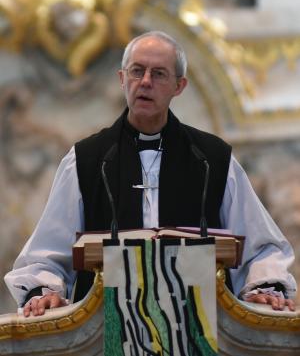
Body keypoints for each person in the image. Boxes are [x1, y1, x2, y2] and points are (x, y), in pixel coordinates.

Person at [5, 31, 297, 317]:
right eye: (136, 71)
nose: (145, 82)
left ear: (179, 86)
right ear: (122, 79)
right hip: (105, 330)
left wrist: (265, 287)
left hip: (197, 327)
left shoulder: (212, 159)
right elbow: (48, 251)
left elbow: (261, 247)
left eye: (158, 74)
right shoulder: (87, 160)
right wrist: (44, 291)